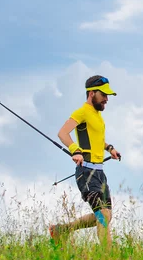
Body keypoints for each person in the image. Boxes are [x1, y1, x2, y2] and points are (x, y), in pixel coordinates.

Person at [49, 75, 121, 248]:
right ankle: (109, 258)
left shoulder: (97, 115)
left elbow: (97, 139)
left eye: (107, 95)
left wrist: (110, 148)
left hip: (99, 172)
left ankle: (62, 230)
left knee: (106, 215)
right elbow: (63, 133)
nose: (106, 99)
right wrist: (76, 150)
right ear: (91, 93)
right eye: (103, 95)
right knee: (103, 215)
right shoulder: (81, 112)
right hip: (86, 172)